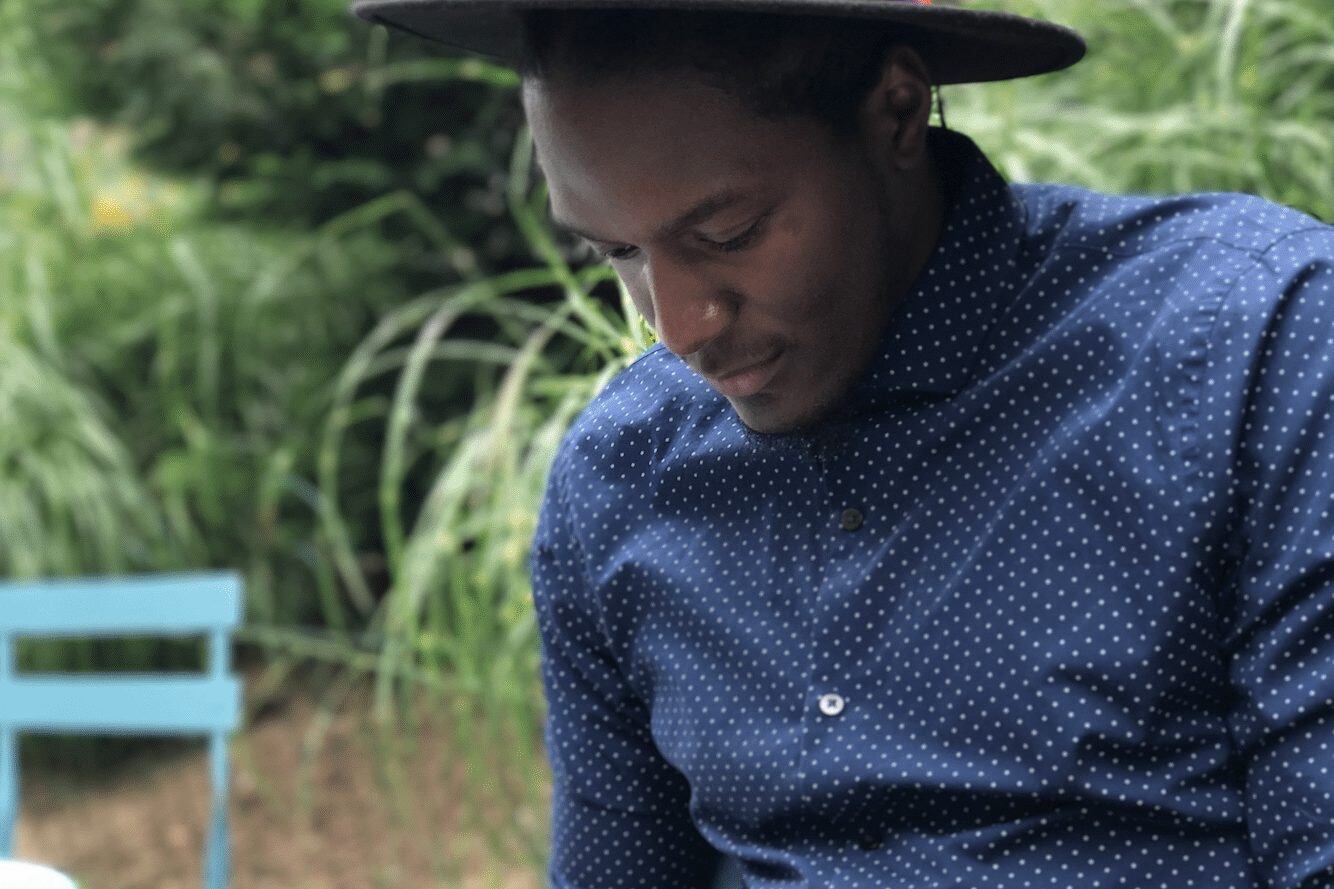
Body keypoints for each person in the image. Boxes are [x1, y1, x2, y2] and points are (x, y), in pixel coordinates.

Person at [352, 1, 1334, 887]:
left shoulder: (1249, 347)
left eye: (728, 233)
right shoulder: (621, 476)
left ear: (896, 112)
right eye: (616, 252)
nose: (679, 326)